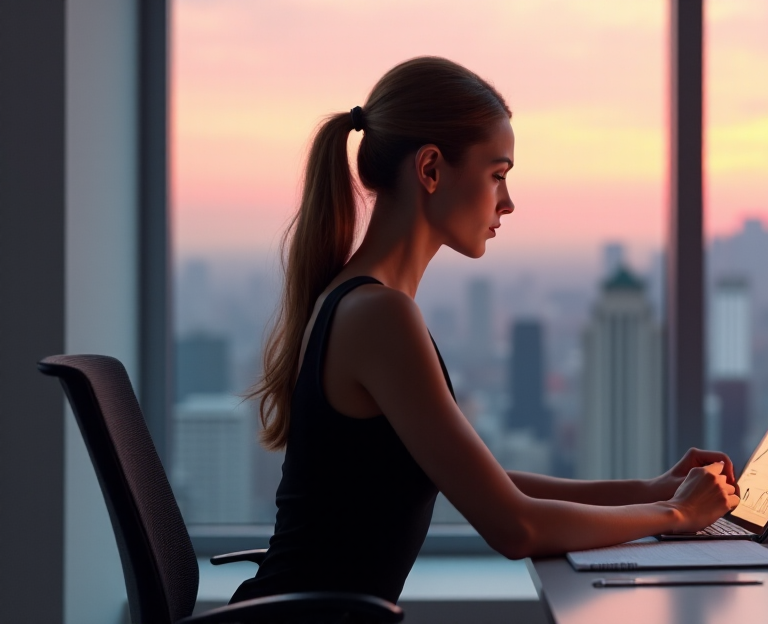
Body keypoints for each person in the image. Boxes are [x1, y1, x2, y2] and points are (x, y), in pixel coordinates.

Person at [231, 56, 740, 609]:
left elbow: (487, 482)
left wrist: (654, 490)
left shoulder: (359, 302)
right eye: (497, 174)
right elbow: (513, 527)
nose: (508, 201)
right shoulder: (380, 317)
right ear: (430, 170)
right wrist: (677, 515)